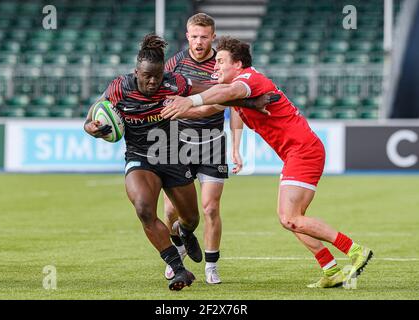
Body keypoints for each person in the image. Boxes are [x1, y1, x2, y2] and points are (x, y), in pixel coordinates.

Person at [161, 36, 373, 288]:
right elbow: (210, 109)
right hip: (296, 152)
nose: (215, 66)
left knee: (289, 217)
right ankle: (331, 270)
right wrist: (168, 109)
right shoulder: (237, 91)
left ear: (238, 64)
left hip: (303, 151)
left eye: (220, 61)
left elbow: (225, 93)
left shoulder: (249, 79)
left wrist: (191, 99)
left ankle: (355, 250)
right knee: (293, 219)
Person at [84, 34, 274, 290]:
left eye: (157, 76)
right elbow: (91, 118)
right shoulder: (119, 88)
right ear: (136, 71)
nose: (152, 81)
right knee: (144, 209)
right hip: (140, 157)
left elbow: (212, 92)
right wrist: (92, 128)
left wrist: (250, 102)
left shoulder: (174, 83)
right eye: (146, 76)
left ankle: (184, 233)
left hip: (174, 157)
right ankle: (178, 268)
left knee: (192, 219)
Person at [162, 13, 241, 284]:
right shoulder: (174, 64)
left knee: (210, 208)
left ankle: (211, 266)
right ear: (187, 36)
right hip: (177, 144)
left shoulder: (221, 65)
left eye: (204, 37)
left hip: (211, 143)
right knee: (171, 210)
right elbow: (161, 97)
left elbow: (232, 103)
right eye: (194, 36)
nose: (199, 41)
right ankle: (181, 243)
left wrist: (236, 147)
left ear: (213, 37)